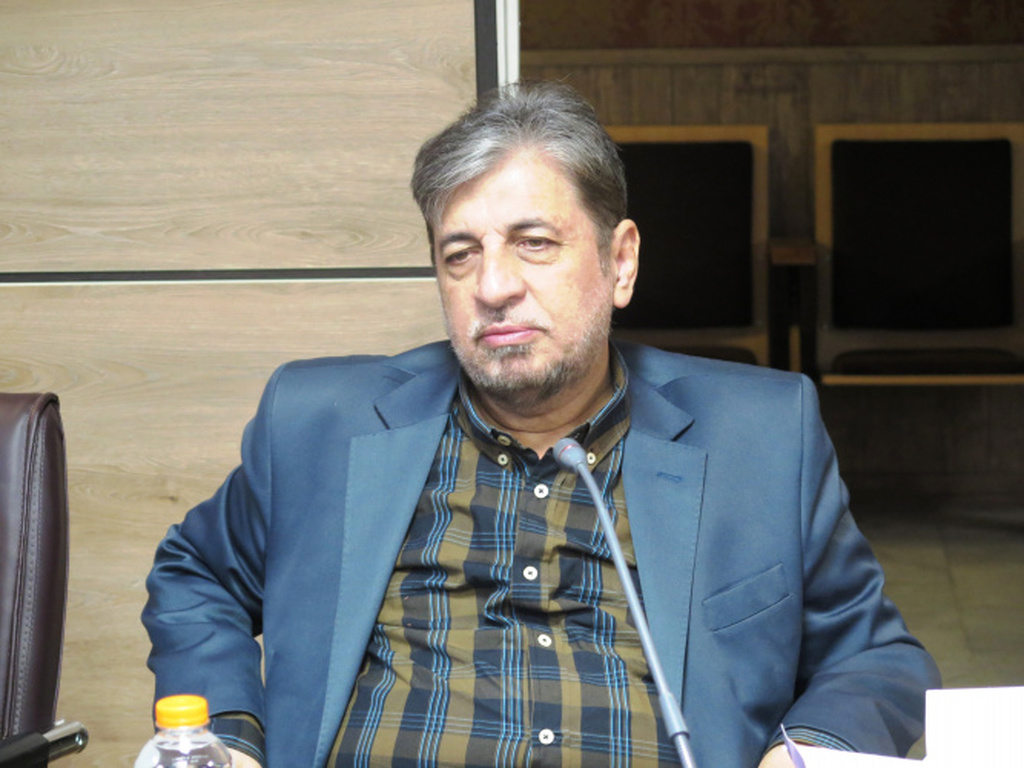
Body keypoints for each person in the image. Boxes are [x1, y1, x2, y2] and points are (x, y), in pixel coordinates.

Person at [142, 81, 940, 768]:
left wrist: (804, 751)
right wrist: (226, 733)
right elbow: (196, 574)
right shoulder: (319, 424)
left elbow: (874, 657)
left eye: (533, 243)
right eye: (460, 254)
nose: (493, 286)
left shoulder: (760, 436)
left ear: (620, 262)